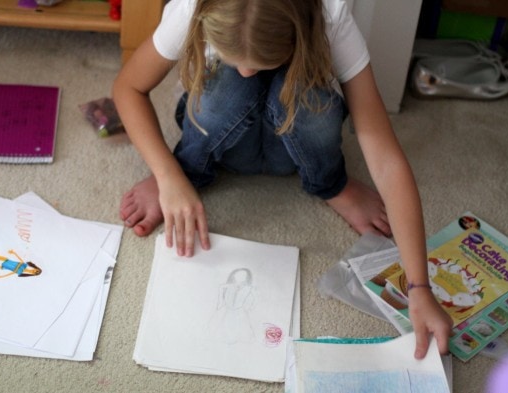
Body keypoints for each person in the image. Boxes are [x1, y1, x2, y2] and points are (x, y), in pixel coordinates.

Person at [113, 0, 453, 359]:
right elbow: (128, 88)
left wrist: (419, 287)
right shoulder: (192, 7)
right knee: (228, 88)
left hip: (292, 142)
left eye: (259, 62)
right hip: (223, 138)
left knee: (309, 97)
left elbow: (385, 157)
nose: (246, 70)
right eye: (233, 56)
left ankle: (330, 183)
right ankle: (187, 171)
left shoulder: (329, 16)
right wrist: (167, 175)